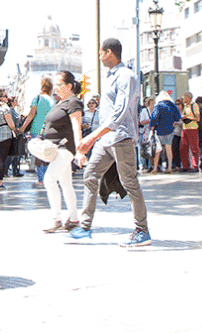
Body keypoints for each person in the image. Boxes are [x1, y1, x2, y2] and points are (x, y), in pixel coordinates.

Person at [70, 38, 151, 248]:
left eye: (101, 53)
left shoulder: (127, 76)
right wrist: (97, 137)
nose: (99, 57)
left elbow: (119, 115)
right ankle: (85, 227)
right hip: (106, 139)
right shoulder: (111, 77)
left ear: (109, 53)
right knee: (90, 175)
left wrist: (91, 136)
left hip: (121, 138)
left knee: (130, 182)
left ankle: (142, 231)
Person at [39, 70, 83, 232]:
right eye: (55, 84)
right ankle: (73, 219)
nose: (56, 87)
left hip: (65, 148)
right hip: (56, 149)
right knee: (66, 184)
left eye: (59, 84)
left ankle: (56, 219)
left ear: (69, 86)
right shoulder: (60, 102)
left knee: (49, 180)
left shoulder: (73, 102)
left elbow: (76, 126)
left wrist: (80, 150)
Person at [20, 76, 55, 188]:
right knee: (49, 155)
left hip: (37, 130)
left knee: (39, 155)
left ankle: (41, 180)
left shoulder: (37, 99)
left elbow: (31, 115)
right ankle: (48, 179)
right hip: (49, 130)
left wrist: (23, 128)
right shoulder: (53, 100)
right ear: (51, 89)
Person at [149, 91, 180, 173]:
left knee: (158, 150)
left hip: (159, 129)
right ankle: (169, 167)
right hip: (170, 129)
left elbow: (154, 117)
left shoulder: (158, 105)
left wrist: (152, 126)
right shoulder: (172, 105)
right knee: (168, 149)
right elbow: (177, 117)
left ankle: (155, 168)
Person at [178, 92, 202, 172]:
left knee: (194, 147)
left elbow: (197, 118)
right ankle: (185, 165)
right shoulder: (185, 106)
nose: (183, 99)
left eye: (184, 97)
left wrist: (187, 117)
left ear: (188, 97)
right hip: (185, 128)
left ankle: (195, 166)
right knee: (183, 147)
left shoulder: (194, 105)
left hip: (193, 128)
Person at [138, 96, 157, 170]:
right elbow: (141, 122)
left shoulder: (156, 110)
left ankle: (151, 165)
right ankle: (142, 165)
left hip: (154, 131)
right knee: (143, 148)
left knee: (153, 149)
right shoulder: (144, 111)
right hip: (145, 132)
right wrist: (150, 121)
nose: (153, 102)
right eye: (152, 101)